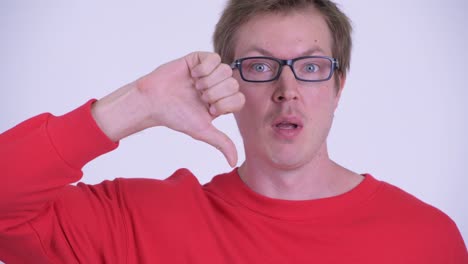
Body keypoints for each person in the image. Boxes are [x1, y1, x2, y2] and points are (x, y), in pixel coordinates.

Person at [0, 0, 466, 263]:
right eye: (261, 66)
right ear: (227, 84)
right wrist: (137, 102)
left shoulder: (427, 239)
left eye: (310, 66)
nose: (288, 90)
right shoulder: (135, 224)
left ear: (338, 85)